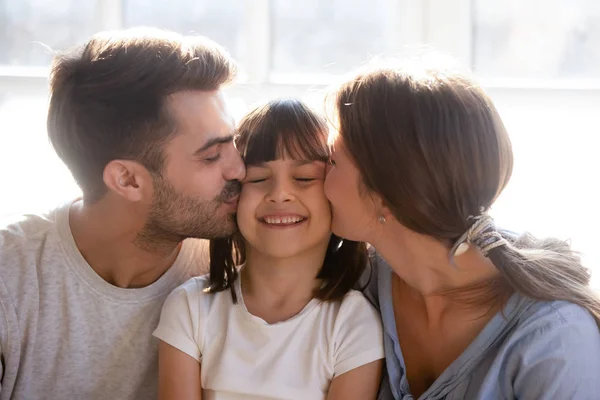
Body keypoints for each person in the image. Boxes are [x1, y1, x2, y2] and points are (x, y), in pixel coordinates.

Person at [324, 60, 600, 399]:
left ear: (384, 195)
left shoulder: (556, 340)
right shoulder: (361, 284)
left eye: (332, 160)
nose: (320, 176)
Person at [0, 28, 245, 400]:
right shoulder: (12, 279)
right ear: (127, 179)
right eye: (212, 156)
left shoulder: (242, 258)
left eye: (235, 142)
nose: (239, 169)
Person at [153, 99, 385, 400]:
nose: (280, 194)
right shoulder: (191, 308)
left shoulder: (353, 322)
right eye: (258, 179)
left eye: (304, 179)